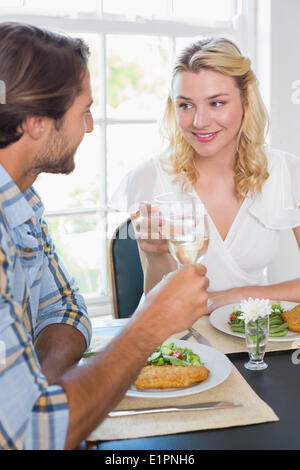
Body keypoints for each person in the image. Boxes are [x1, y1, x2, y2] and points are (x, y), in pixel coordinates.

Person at [0, 22, 209, 450]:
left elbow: (65, 306)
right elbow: (32, 437)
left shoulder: (22, 204)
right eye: (84, 110)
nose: (90, 126)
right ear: (39, 123)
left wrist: (42, 390)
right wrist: (150, 323)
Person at [112, 37, 300, 311]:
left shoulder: (287, 172)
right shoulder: (149, 178)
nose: (199, 122)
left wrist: (231, 297)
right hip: (177, 339)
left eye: (217, 103)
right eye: (185, 105)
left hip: (252, 335)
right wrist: (156, 254)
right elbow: (156, 300)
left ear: (246, 101)